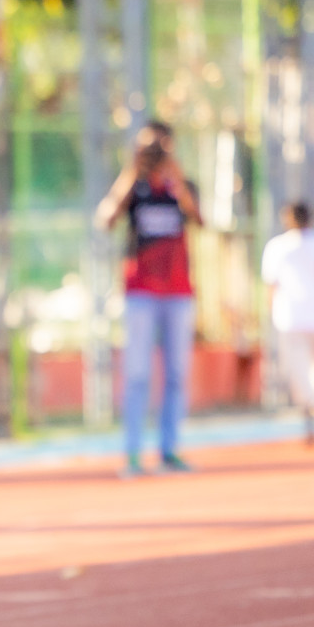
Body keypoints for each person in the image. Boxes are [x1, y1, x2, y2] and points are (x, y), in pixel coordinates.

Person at [95, 120, 202, 477]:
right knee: (137, 373)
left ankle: (169, 450)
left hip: (178, 292)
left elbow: (199, 218)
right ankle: (133, 454)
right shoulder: (132, 185)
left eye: (159, 146)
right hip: (140, 292)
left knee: (177, 374)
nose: (154, 153)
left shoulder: (182, 184)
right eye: (147, 147)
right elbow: (106, 218)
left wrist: (175, 175)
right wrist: (131, 171)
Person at [261, 201, 314, 444]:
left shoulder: (277, 247)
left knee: (300, 371)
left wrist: (271, 315)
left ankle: (310, 418)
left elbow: (271, 287)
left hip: (292, 319)